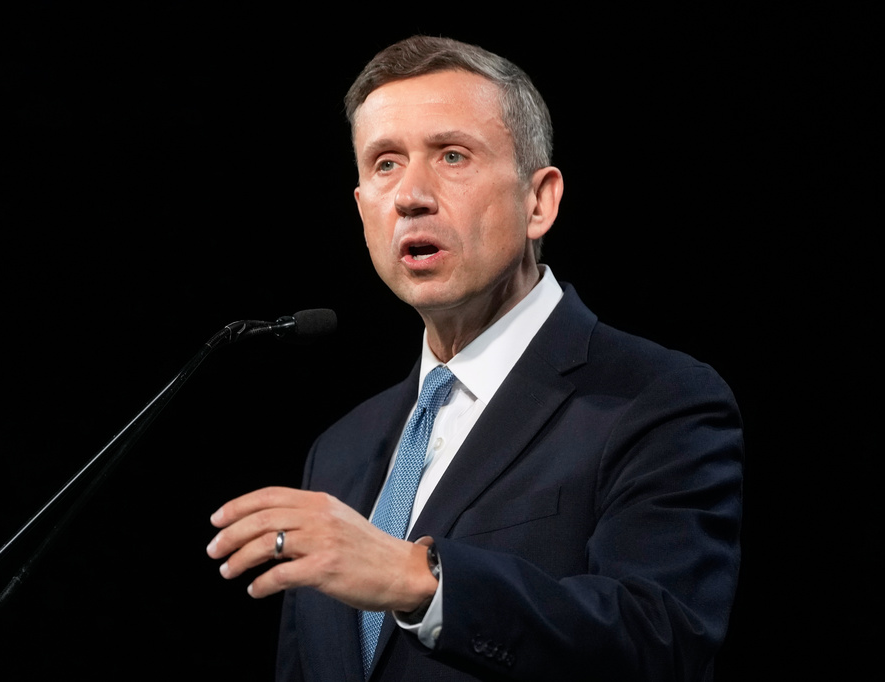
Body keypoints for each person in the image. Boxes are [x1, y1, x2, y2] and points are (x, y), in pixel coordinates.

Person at [206, 35, 744, 681]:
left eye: (452, 155)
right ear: (362, 211)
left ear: (538, 200)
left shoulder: (655, 398)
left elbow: (661, 643)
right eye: (384, 164)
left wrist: (423, 581)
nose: (410, 196)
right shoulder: (341, 451)